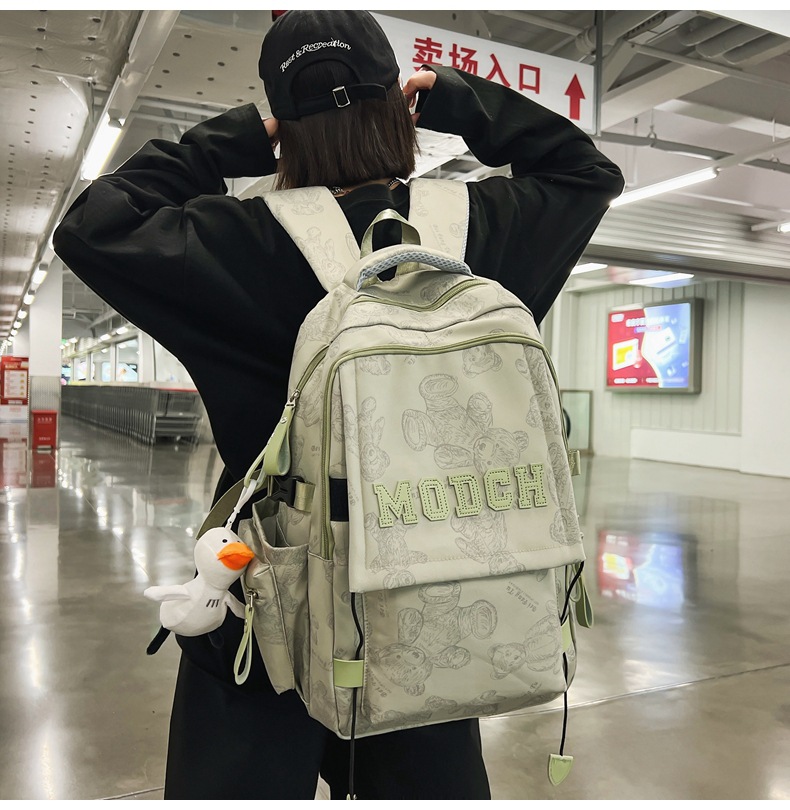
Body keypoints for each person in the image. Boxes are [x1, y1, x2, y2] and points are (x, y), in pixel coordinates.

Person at [54, 10, 623, 800]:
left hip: (262, 603)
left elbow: (91, 225)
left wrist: (231, 143)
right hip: (427, 595)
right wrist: (463, 103)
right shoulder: (480, 229)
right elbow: (587, 172)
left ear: (283, 128)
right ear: (400, 104)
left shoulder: (234, 239)